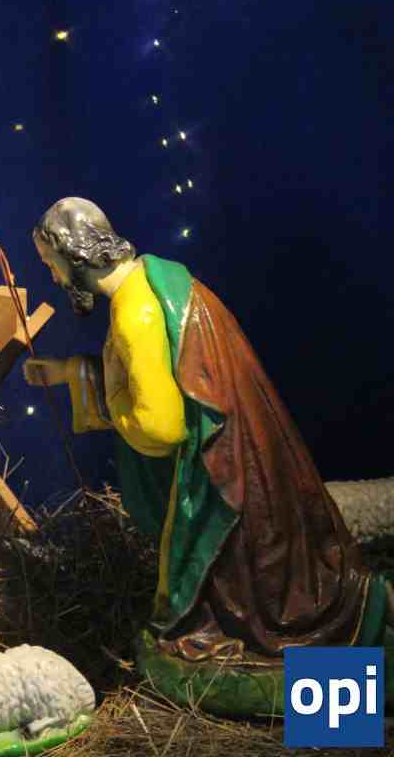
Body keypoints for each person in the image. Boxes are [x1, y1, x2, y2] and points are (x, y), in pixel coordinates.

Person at [23, 197, 390, 665]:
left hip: (219, 484)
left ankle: (339, 675)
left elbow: (160, 428)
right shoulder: (158, 279)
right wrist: (71, 372)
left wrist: (107, 403)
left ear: (75, 255)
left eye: (50, 264)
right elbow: (154, 379)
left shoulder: (136, 316)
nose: (53, 277)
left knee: (248, 603)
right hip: (248, 448)